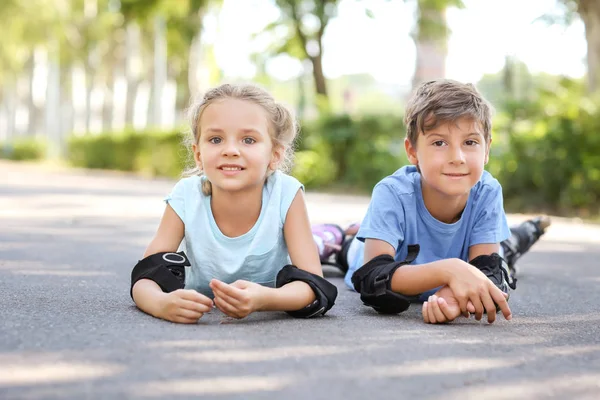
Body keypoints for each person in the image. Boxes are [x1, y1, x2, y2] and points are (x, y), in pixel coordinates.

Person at [314, 79, 550, 325]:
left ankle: (524, 233)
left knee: (501, 259)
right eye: (439, 143)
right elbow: (373, 275)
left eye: (470, 142)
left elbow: (486, 272)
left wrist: (451, 298)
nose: (457, 158)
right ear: (412, 151)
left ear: (487, 149)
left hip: (463, 257)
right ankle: (341, 234)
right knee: (351, 249)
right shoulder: (392, 193)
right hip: (369, 253)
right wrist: (449, 270)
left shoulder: (487, 191)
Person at [130, 83, 337, 324]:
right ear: (198, 154)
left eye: (248, 140)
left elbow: (314, 285)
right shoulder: (186, 195)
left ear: (275, 155)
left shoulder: (286, 193)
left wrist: (265, 299)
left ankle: (331, 237)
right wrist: (161, 304)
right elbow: (145, 277)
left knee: (317, 246)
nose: (230, 150)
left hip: (271, 292)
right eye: (216, 139)